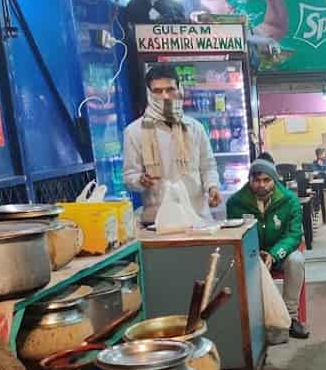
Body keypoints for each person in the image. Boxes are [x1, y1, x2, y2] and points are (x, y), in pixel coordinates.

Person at [123, 65, 221, 224]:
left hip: (198, 217)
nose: (165, 96)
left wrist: (213, 187)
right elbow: (129, 176)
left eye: (170, 89)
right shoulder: (134, 131)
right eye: (158, 91)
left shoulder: (194, 128)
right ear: (149, 93)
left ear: (179, 89)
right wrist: (140, 180)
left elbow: (208, 166)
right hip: (159, 221)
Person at [227, 159, 309, 339]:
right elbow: (235, 235)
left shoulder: (290, 200)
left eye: (266, 180)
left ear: (275, 180)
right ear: (249, 180)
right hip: (251, 256)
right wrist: (254, 254)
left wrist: (273, 255)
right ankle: (252, 320)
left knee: (296, 260)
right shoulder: (235, 203)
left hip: (280, 255)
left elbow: (294, 235)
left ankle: (290, 318)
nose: (261, 185)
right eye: (256, 180)